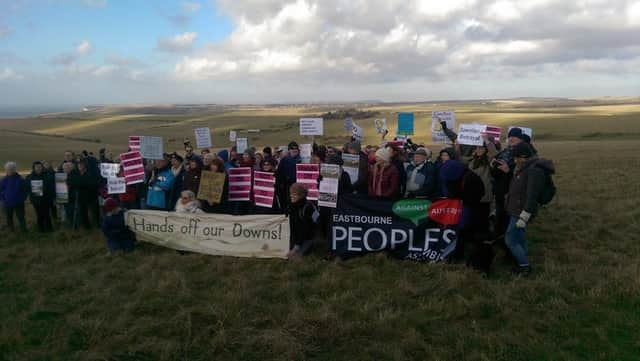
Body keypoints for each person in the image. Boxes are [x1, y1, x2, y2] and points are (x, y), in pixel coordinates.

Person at [505, 142, 555, 275]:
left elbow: (532, 195)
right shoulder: (523, 167)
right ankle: (523, 261)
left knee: (510, 239)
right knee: (519, 238)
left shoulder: (534, 171)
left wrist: (525, 215)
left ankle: (524, 266)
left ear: (524, 156)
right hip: (516, 209)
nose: (514, 160)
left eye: (516, 157)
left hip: (521, 212)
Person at [439, 160, 487, 268]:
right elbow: (449, 189)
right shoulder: (453, 176)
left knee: (463, 230)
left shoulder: (472, 179)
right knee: (459, 231)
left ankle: (462, 254)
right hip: (459, 207)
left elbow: (478, 194)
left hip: (470, 208)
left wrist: (460, 199)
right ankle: (456, 252)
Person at [286, 183, 316, 259]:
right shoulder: (290, 205)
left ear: (301, 195)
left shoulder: (308, 207)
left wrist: (296, 247)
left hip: (306, 238)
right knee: (286, 254)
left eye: (295, 194)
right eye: (291, 193)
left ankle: (310, 246)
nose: (291, 196)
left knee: (294, 257)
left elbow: (305, 229)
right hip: (294, 237)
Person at [67, 160, 100, 229]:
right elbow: (70, 182)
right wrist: (83, 182)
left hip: (91, 196)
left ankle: (98, 226)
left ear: (85, 165)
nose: (80, 166)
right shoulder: (74, 173)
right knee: (83, 213)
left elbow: (93, 183)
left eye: (81, 165)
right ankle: (87, 227)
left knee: (95, 212)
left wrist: (79, 183)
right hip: (80, 197)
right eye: (79, 165)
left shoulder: (91, 172)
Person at [26, 161, 55, 232]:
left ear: (42, 167)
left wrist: (51, 196)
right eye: (37, 167)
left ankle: (50, 228)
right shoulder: (29, 177)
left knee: (47, 214)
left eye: (40, 167)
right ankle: (41, 229)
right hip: (36, 200)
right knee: (39, 215)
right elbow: (27, 188)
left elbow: (51, 187)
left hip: (46, 199)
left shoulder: (47, 175)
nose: (38, 168)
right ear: (34, 168)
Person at [0, 161, 27, 232]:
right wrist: (3, 200)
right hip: (7, 203)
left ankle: (24, 230)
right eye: (8, 169)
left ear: (15, 169)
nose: (10, 170)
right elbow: (0, 191)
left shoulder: (20, 179)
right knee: (9, 218)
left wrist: (22, 199)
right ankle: (11, 230)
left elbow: (25, 191)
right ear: (6, 170)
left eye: (12, 169)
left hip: (19, 203)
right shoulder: (3, 180)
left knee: (21, 217)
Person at [276, 142, 302, 211]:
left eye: (296, 148)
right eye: (292, 148)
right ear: (289, 150)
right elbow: (279, 173)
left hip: (299, 186)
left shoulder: (303, 159)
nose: (294, 150)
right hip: (287, 187)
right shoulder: (284, 160)